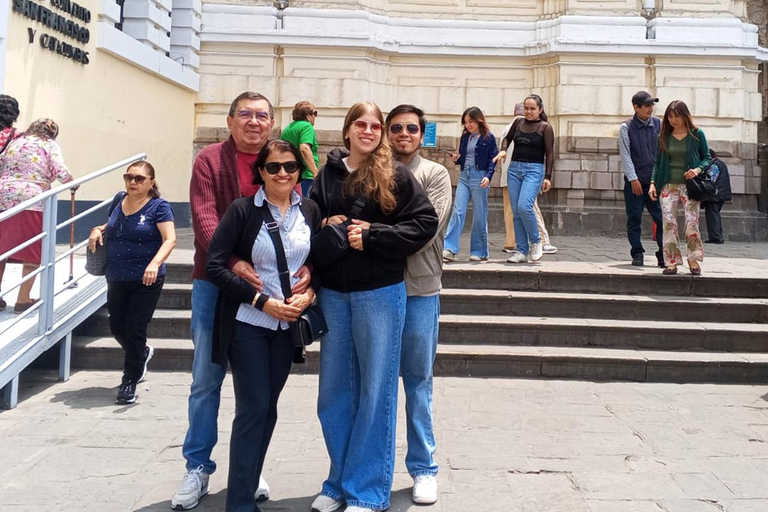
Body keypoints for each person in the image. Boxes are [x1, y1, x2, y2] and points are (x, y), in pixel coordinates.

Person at [173, 92, 309, 510]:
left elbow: (299, 230)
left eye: (262, 116)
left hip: (269, 295)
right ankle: (197, 466)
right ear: (230, 121)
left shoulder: (282, 163)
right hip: (216, 285)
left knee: (259, 395)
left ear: (272, 124)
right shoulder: (210, 160)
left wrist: (306, 273)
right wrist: (234, 261)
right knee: (207, 378)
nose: (253, 122)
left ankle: (249, 466)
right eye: (245, 115)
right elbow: (205, 220)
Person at [309, 102, 438, 512]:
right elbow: (304, 224)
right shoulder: (326, 175)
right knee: (334, 393)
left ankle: (367, 491)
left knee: (376, 392)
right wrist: (324, 226)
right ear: (346, 131)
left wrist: (376, 235)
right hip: (334, 294)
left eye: (374, 126)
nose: (368, 131)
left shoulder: (395, 173)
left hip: (379, 293)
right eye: (360, 124)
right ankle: (338, 483)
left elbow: (424, 223)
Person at [206, 139, 322, 512]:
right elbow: (215, 265)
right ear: (261, 172)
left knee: (268, 407)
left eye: (290, 166)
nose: (283, 173)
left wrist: (311, 290)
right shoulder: (242, 211)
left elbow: (317, 262)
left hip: (287, 328)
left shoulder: (310, 210)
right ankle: (238, 503)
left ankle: (248, 480)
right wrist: (260, 300)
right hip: (250, 323)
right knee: (253, 407)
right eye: (273, 167)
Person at [385, 104, 451, 505]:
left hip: (420, 289)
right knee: (374, 386)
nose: (403, 133)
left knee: (418, 381)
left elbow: (428, 226)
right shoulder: (371, 170)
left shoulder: (435, 174)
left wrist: (373, 234)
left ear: (422, 134)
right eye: (396, 127)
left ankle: (423, 469)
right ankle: (372, 468)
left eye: (411, 128)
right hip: (374, 290)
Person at [88, 161, 176, 404]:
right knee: (117, 327)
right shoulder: (119, 199)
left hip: (146, 278)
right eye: (129, 177)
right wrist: (98, 229)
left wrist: (154, 264)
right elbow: (112, 225)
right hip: (116, 275)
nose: (132, 183)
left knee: (135, 328)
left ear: (151, 182)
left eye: (138, 178)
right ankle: (142, 353)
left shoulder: (159, 207)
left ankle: (129, 381)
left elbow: (169, 239)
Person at [0, 119, 73, 313]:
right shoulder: (48, 144)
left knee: (1, 249)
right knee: (32, 248)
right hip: (31, 199)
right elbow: (60, 170)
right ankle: (23, 299)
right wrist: (72, 182)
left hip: (3, 197)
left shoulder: (15, 142)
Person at [649, 100, 710, 275]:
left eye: (677, 116)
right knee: (668, 223)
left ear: (685, 116)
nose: (673, 120)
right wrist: (653, 183)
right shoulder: (663, 136)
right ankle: (672, 262)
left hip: (690, 186)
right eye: (670, 116)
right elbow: (657, 163)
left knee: (692, 222)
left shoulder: (697, 135)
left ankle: (692, 258)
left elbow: (707, 157)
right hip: (667, 186)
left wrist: (697, 170)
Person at [496, 94, 554, 263]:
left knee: (524, 206)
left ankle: (536, 241)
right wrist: (504, 149)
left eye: (532, 109)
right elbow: (507, 138)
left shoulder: (545, 127)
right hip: (514, 169)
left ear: (540, 110)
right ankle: (521, 250)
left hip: (534, 170)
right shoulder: (518, 123)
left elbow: (550, 154)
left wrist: (548, 177)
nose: (528, 112)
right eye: (526, 108)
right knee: (516, 212)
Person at [442, 106, 497, 262]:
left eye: (471, 121)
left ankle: (479, 251)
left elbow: (493, 160)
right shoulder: (465, 137)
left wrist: (488, 176)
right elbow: (463, 158)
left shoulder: (489, 137)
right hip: (464, 175)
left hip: (480, 177)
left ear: (479, 120)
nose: (468, 125)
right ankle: (449, 248)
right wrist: (455, 159)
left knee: (480, 214)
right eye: (465, 122)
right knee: (458, 211)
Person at [619, 91, 664, 267]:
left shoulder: (659, 124)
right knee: (634, 218)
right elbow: (625, 155)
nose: (650, 109)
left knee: (661, 218)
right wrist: (633, 179)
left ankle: (663, 253)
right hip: (635, 181)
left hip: (655, 181)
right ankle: (637, 252)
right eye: (646, 105)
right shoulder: (626, 127)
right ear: (636, 107)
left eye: (652, 105)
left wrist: (657, 179)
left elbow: (662, 153)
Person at [281, 101, 320, 197]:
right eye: (314, 113)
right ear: (307, 116)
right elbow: (305, 149)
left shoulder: (288, 129)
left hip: (291, 173)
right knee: (305, 205)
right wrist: (315, 172)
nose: (315, 117)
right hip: (306, 174)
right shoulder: (307, 126)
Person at [702, 149, 732, 244]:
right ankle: (716, 236)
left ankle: (716, 237)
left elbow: (711, 180)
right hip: (720, 194)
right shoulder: (720, 163)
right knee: (714, 215)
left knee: (712, 216)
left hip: (715, 195)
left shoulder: (714, 165)